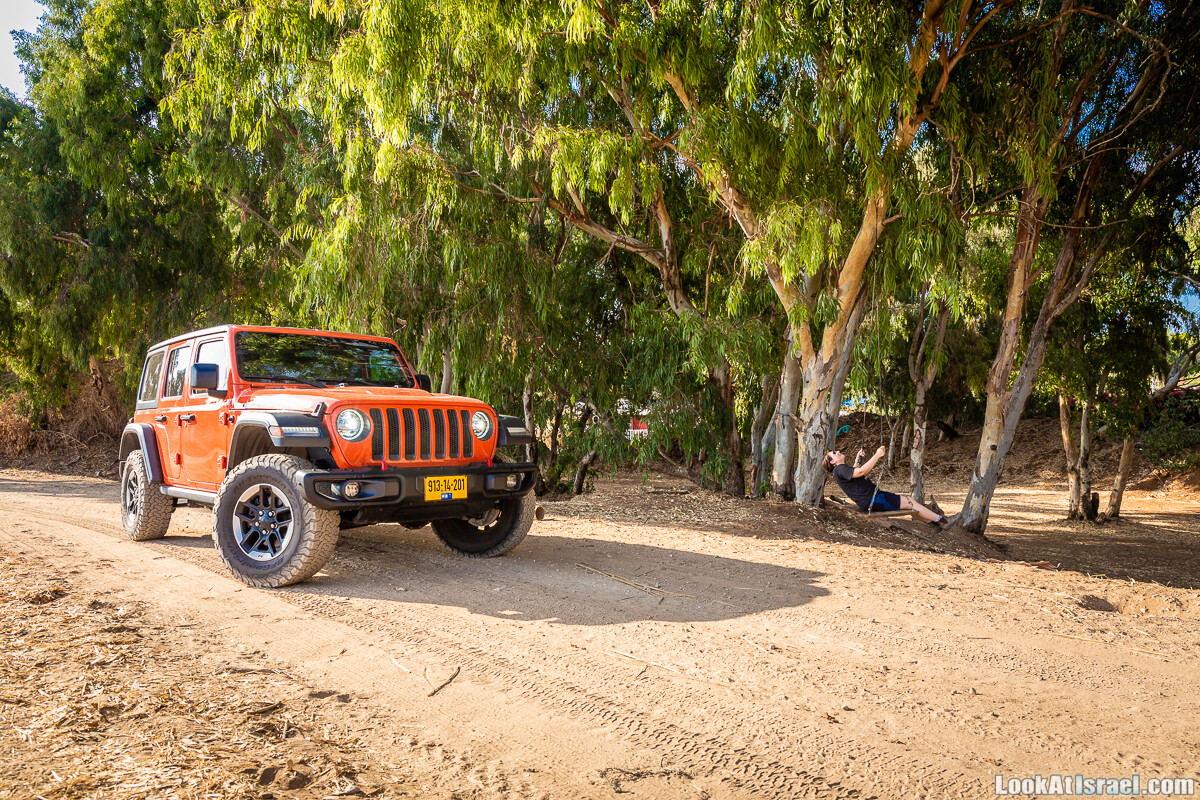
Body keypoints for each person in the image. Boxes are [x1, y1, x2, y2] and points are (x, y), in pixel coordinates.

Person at [823, 446, 946, 525]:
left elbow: (854, 474)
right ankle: (943, 520)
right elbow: (861, 472)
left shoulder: (841, 470)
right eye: (834, 453)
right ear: (832, 462)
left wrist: (857, 459)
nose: (838, 451)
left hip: (874, 498)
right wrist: (877, 455)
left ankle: (933, 522)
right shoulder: (839, 469)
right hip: (873, 500)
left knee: (909, 505)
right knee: (910, 503)